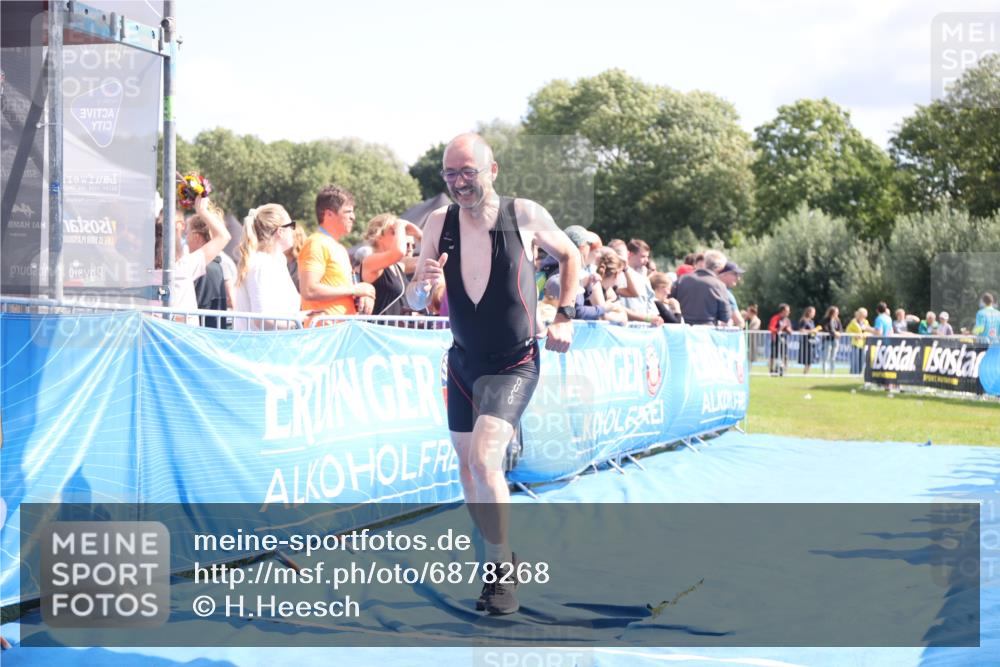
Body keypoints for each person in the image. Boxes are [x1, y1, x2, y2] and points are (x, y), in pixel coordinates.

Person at [403, 133, 577, 616]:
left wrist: (565, 313)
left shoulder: (522, 215)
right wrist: (425, 287)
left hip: (514, 362)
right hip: (462, 361)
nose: (459, 183)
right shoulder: (441, 222)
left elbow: (571, 255)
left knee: (484, 461)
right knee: (466, 467)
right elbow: (418, 300)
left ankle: (501, 575)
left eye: (468, 172)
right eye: (450, 174)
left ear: (492, 171)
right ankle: (495, 555)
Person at [298, 185, 376, 325]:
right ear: (329, 214)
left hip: (339, 333)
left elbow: (342, 291)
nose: (353, 217)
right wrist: (354, 289)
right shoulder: (315, 243)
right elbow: (309, 290)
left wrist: (363, 295)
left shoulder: (339, 248)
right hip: (324, 335)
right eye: (348, 212)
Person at [158, 196, 231, 325]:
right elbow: (223, 236)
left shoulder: (143, 272)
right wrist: (202, 211)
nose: (185, 238)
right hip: (191, 337)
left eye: (187, 233)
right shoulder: (184, 267)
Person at [233, 204, 304, 330]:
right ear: (280, 232)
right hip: (259, 346)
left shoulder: (276, 261)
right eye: (291, 226)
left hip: (272, 344)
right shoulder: (261, 264)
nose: (294, 230)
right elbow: (262, 320)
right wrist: (298, 320)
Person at [361, 214, 423, 316]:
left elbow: (432, 257)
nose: (399, 235)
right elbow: (399, 252)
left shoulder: (398, 266)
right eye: (394, 232)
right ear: (379, 235)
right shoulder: (370, 261)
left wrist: (418, 234)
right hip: (379, 329)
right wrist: (399, 226)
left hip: (398, 329)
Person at [187, 214, 231, 329]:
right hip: (213, 336)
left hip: (199, 337)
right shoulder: (218, 266)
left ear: (196, 236)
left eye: (187, 234)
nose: (186, 240)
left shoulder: (202, 269)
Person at [670, 249, 731, 325]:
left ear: (705, 263)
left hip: (683, 331)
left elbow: (669, 302)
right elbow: (725, 317)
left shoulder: (682, 280)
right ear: (719, 268)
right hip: (707, 332)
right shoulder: (719, 285)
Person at [845, 308, 876, 373]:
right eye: (864, 314)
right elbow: (847, 330)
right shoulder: (853, 322)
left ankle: (859, 372)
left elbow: (868, 331)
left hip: (863, 343)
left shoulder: (866, 322)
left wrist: (864, 334)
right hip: (855, 343)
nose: (865, 316)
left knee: (861, 359)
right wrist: (855, 335)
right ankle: (853, 372)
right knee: (855, 359)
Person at [716, 261, 746, 328]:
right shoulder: (726, 293)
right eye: (735, 274)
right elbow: (740, 322)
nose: (738, 278)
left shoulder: (710, 289)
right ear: (724, 274)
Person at [767, 303, 793, 375]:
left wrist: (788, 330)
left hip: (784, 340)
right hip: (775, 340)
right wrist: (779, 329)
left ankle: (785, 371)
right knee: (773, 355)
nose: (789, 312)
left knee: (785, 355)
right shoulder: (775, 318)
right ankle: (771, 370)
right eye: (787, 311)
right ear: (782, 311)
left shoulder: (787, 320)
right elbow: (771, 328)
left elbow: (790, 330)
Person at [819, 306, 843, 375]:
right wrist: (834, 333)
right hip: (827, 340)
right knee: (826, 356)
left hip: (835, 340)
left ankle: (832, 372)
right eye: (836, 312)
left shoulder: (837, 320)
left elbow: (840, 329)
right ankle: (824, 372)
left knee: (833, 357)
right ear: (832, 312)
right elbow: (825, 329)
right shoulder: (826, 320)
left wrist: (839, 333)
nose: (837, 314)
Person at [797, 306, 819, 374]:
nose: (814, 314)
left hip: (811, 342)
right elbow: (801, 330)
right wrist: (811, 331)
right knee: (807, 360)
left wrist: (815, 331)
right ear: (809, 312)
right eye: (813, 312)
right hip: (805, 342)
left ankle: (806, 373)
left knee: (810, 360)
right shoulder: (803, 320)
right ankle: (805, 373)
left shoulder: (811, 321)